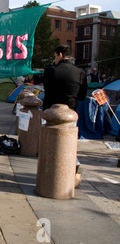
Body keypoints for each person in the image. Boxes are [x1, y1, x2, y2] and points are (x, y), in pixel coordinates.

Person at [43, 45, 88, 187]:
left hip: (51, 112)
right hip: (71, 113)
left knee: (48, 145)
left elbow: (47, 89)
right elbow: (82, 96)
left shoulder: (50, 70)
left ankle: (49, 174)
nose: (54, 59)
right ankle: (72, 164)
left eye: (55, 56)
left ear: (60, 55)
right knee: (69, 144)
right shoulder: (80, 72)